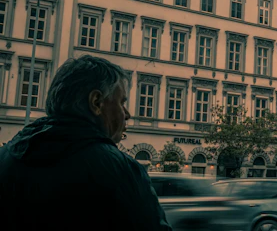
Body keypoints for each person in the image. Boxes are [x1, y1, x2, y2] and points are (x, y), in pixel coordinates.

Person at [0, 55, 171, 231]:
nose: (126, 114)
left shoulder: (5, 158)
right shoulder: (121, 171)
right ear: (96, 102)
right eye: (121, 103)